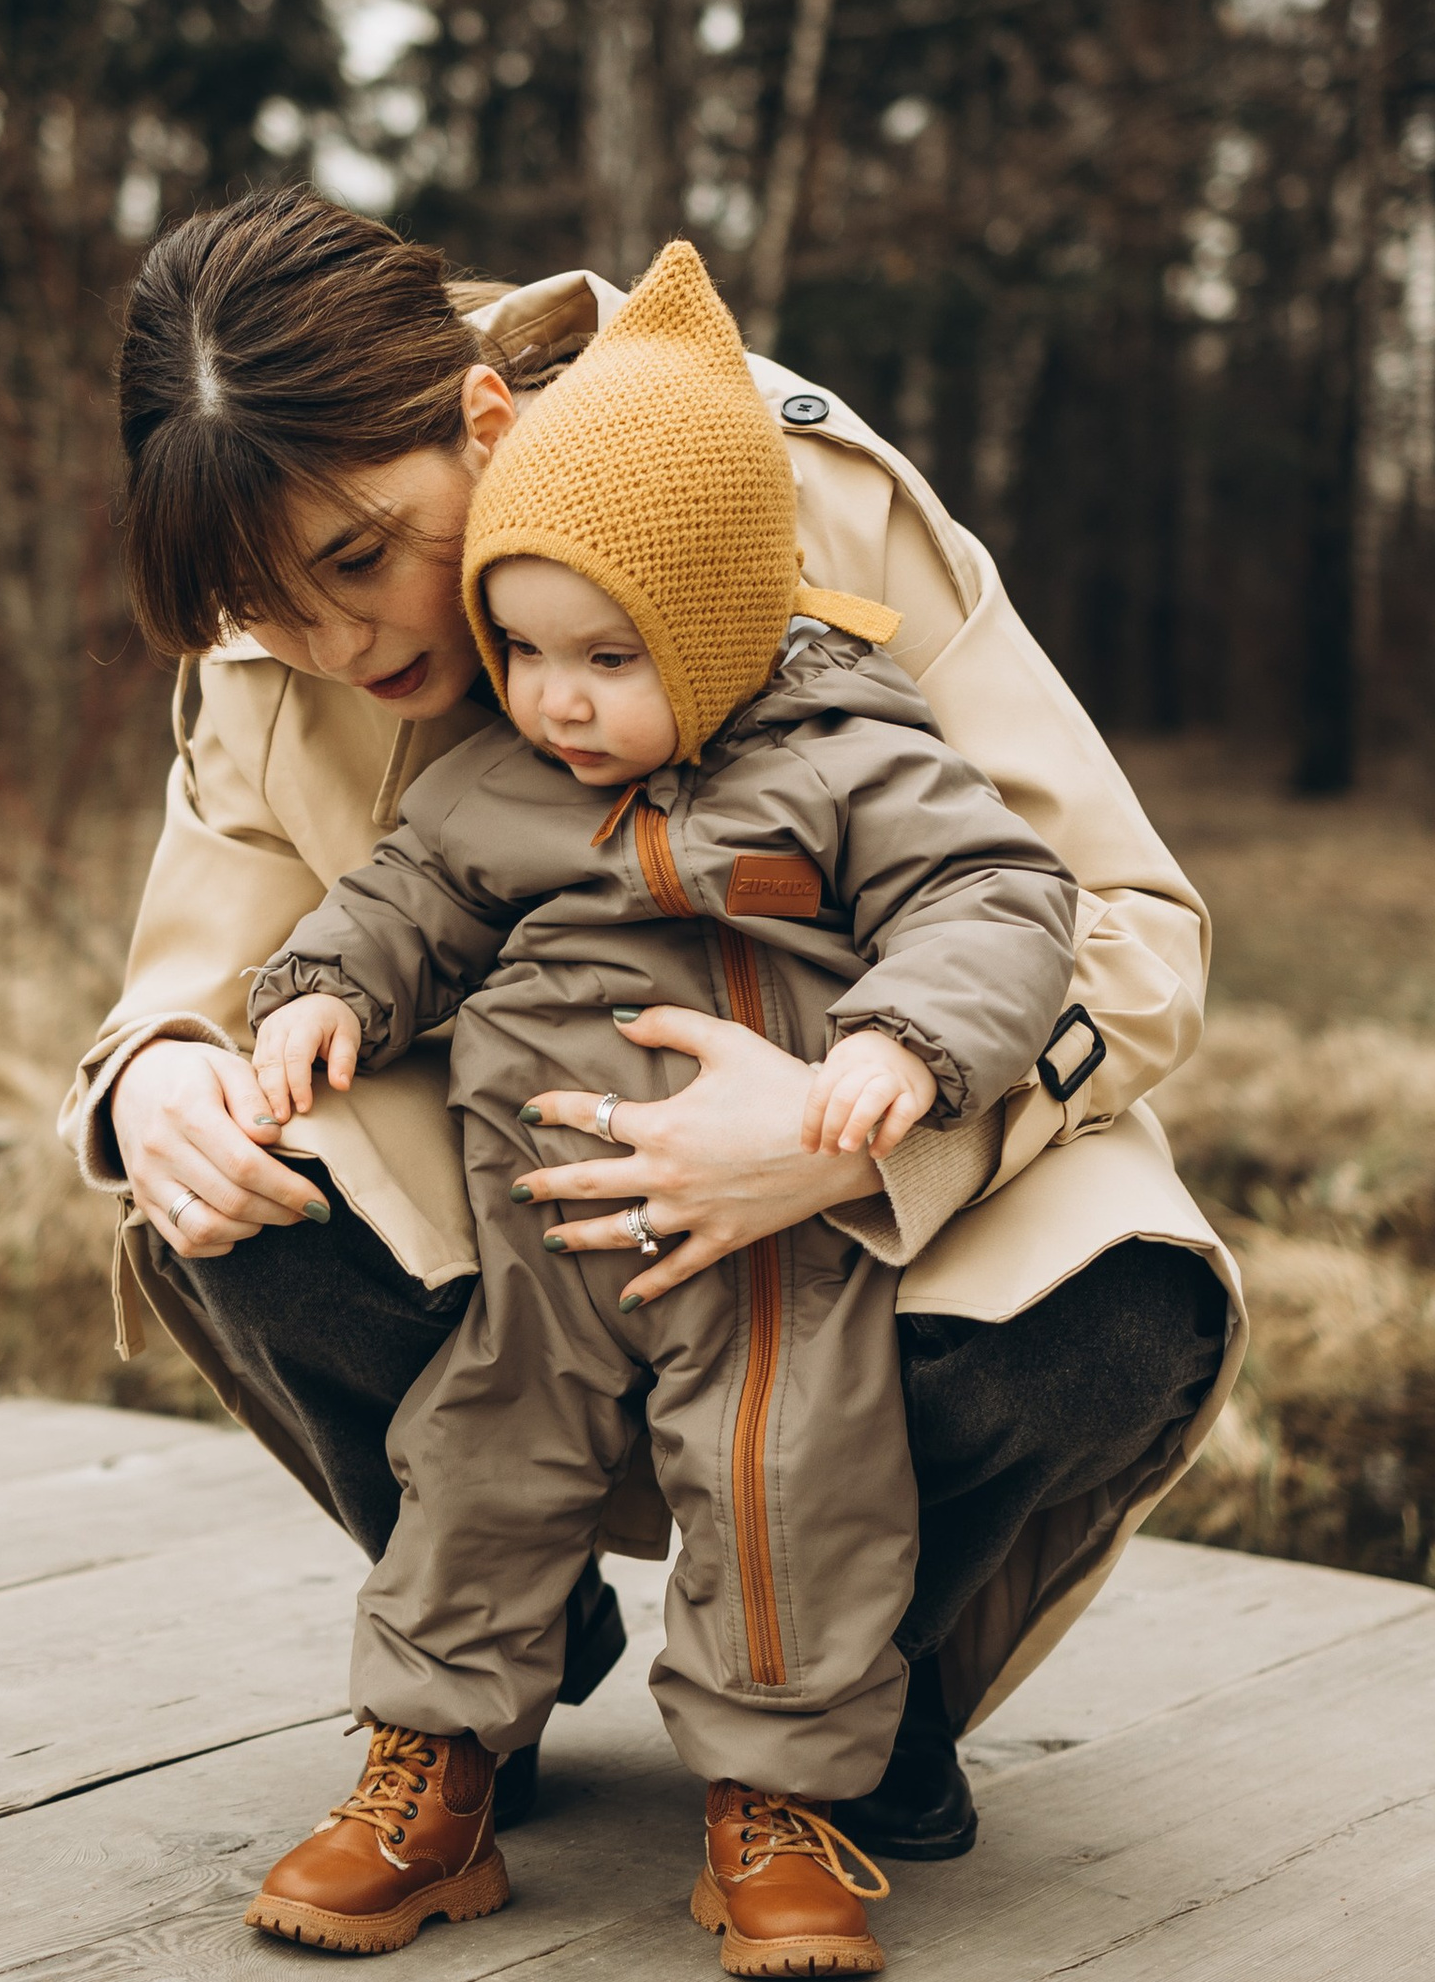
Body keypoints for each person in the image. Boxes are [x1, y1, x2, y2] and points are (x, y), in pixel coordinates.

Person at [61, 188, 1241, 1868]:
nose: (332, 641)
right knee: (217, 1180)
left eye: (357, 558)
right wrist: (163, 1072)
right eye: (267, 605)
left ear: (480, 416)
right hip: (516, 1178)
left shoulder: (781, 480)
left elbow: (1126, 924)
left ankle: (863, 1680)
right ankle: (493, 1653)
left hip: (858, 1114)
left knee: (1122, 1316)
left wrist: (856, 1132)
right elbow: (198, 963)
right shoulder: (273, 622)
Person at [237, 244, 1081, 1979]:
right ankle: (438, 1769)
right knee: (477, 1462)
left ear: (709, 625)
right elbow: (407, 895)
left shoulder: (854, 755)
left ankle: (775, 1807)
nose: (555, 699)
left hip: (768, 1226)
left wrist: (904, 1045)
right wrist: (316, 990)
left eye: (606, 657)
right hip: (548, 1226)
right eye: (524, 649)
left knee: (789, 1483)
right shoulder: (504, 774)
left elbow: (1001, 897)